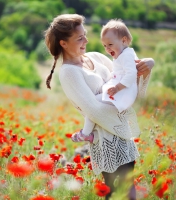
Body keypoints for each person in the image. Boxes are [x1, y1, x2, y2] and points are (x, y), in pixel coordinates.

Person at [44, 14, 154, 200]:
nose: (86, 40)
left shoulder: (94, 57)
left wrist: (147, 65)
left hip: (122, 136)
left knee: (129, 190)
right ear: (63, 43)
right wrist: (122, 116)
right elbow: (94, 110)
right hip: (106, 141)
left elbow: (125, 80)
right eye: (80, 38)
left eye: (85, 35)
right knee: (115, 193)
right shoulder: (69, 72)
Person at [71, 19, 141, 143]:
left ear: (124, 40)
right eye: (104, 45)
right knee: (92, 106)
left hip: (122, 92)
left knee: (91, 106)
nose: (107, 49)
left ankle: (85, 134)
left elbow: (131, 74)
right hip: (121, 91)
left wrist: (117, 87)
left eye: (110, 44)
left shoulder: (126, 56)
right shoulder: (123, 54)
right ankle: (91, 135)